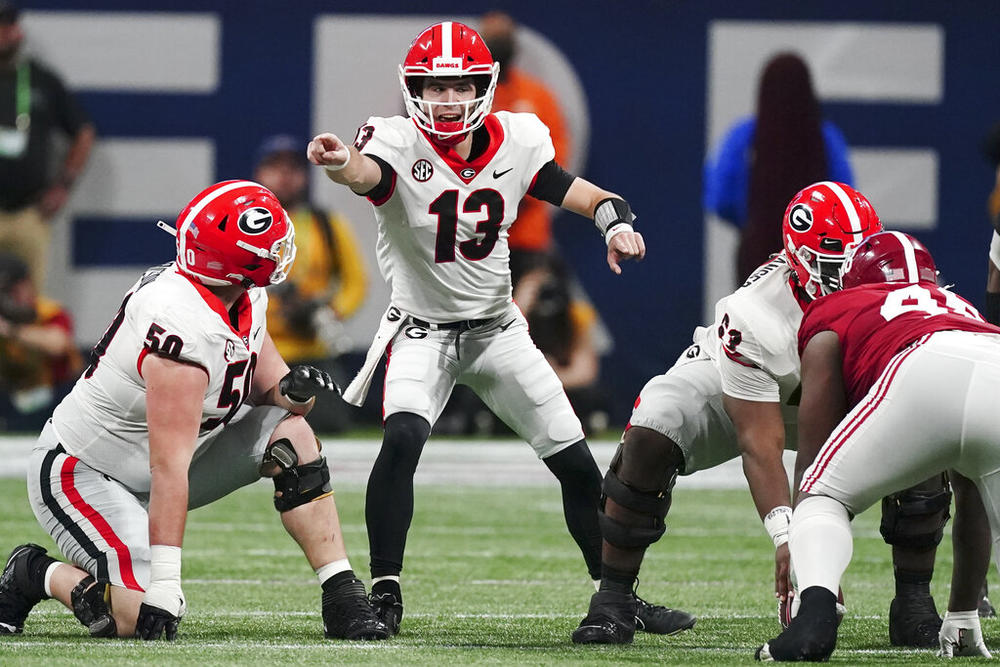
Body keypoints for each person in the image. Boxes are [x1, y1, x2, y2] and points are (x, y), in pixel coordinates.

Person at [306, 20, 692, 638]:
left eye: (461, 86)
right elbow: (366, 174)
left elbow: (586, 195)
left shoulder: (518, 138)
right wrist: (339, 161)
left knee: (575, 462)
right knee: (401, 441)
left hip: (496, 330)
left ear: (485, 86)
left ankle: (618, 597)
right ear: (414, 93)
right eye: (435, 88)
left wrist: (613, 223)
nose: (448, 100)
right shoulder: (395, 141)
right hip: (420, 330)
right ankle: (384, 592)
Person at [0, 181, 389, 641]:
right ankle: (33, 572)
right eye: (271, 244)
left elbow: (276, 392)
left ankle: (342, 594)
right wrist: (165, 584)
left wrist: (296, 390)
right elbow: (169, 467)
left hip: (165, 462)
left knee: (294, 436)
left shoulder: (239, 296)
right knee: (134, 615)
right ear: (233, 261)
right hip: (84, 472)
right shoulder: (180, 325)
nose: (283, 249)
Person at [572, 182, 952, 647]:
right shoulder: (755, 314)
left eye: (858, 259)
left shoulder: (888, 285)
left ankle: (914, 602)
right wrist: (788, 536)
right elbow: (759, 442)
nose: (849, 275)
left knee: (921, 428)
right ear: (799, 257)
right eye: (835, 264)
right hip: (747, 391)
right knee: (657, 420)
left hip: (832, 390)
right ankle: (613, 599)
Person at [756, 231, 1000, 661]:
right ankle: (964, 621)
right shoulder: (962, 307)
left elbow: (815, 453)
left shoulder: (839, 306)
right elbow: (971, 494)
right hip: (993, 355)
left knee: (823, 495)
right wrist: (962, 611)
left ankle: (815, 617)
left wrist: (806, 549)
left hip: (921, 365)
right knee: (982, 489)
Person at [252, 134, 368, 433]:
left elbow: (355, 282)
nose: (285, 176)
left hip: (312, 348)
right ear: (259, 174)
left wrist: (328, 312)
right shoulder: (245, 225)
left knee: (328, 423)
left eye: (292, 168)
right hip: (259, 349)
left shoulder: (327, 224)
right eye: (275, 167)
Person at [703, 53, 852, 281]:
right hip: (815, 258)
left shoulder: (743, 136)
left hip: (756, 253)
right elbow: (845, 200)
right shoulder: (826, 139)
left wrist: (752, 225)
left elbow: (721, 198)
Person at [0, 1, 95, 290]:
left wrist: (63, 186)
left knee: (29, 306)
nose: (11, 33)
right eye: (3, 26)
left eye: (12, 25)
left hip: (29, 213)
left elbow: (83, 132)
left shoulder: (41, 80)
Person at [478, 10, 572, 281]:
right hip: (476, 227)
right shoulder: (467, 97)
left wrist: (524, 191)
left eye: (503, 38)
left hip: (527, 231)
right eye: (492, 38)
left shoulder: (537, 96)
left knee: (530, 303)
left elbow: (557, 151)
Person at [512, 252, 607, 433]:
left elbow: (585, 372)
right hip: (523, 386)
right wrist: (520, 307)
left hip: (560, 383)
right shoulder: (514, 314)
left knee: (590, 397)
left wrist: (549, 376)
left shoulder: (577, 315)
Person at [0, 251, 82, 431]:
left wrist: (11, 330)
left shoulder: (49, 311)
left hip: (53, 397)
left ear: (26, 284)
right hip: (11, 397)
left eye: (11, 290)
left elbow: (58, 344)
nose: (8, 298)